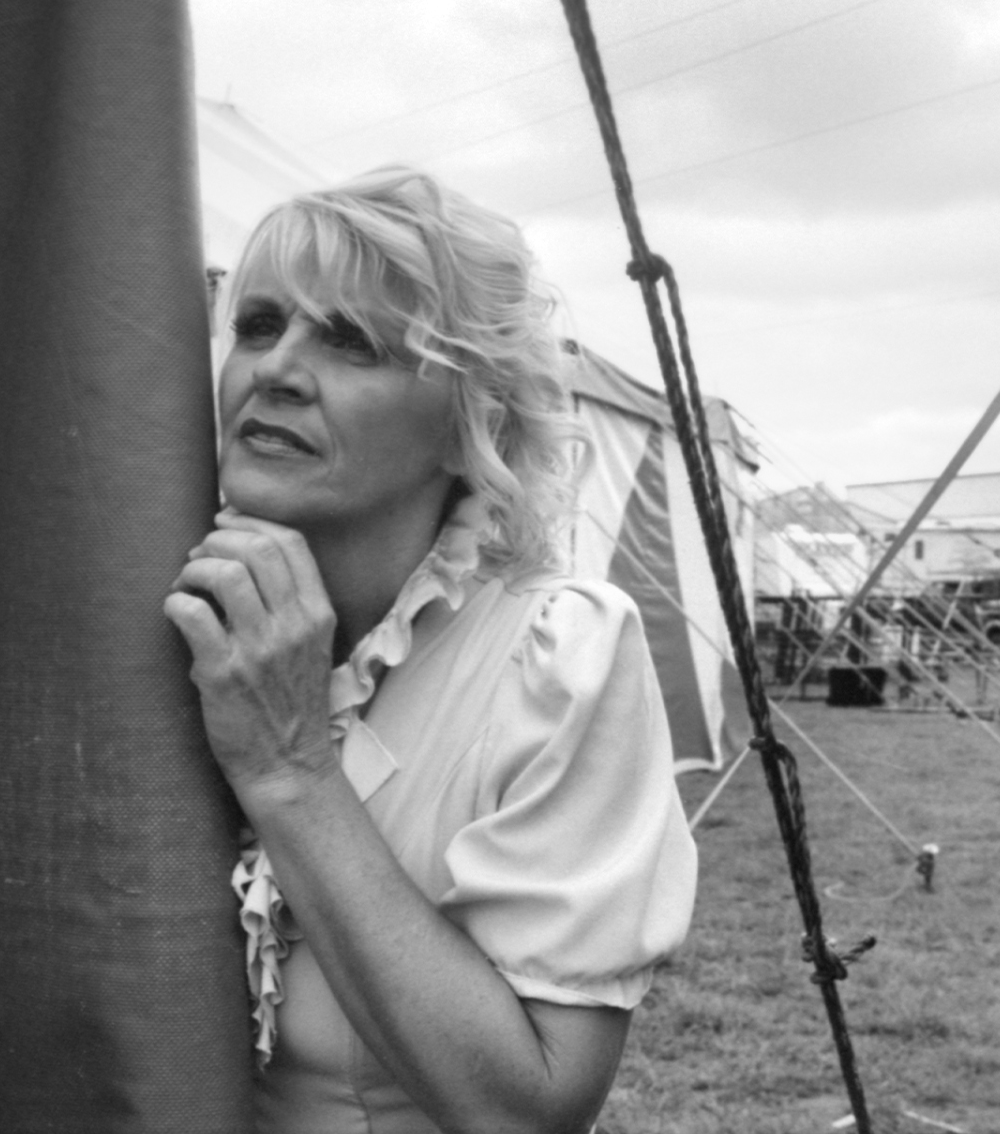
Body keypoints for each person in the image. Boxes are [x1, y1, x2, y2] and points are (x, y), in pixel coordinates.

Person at [164, 167, 698, 1133]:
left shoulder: (556, 655)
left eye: (352, 342)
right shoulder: (151, 606)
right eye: (256, 325)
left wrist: (291, 770)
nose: (274, 370)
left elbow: (530, 1109)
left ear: (471, 425)